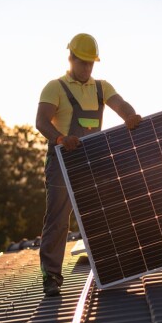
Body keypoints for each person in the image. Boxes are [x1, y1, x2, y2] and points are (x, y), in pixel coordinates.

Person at [36, 33, 141, 296]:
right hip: (61, 160)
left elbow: (120, 105)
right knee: (59, 219)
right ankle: (51, 276)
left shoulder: (101, 87)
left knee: (104, 213)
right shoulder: (55, 87)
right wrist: (61, 138)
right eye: (82, 62)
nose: (86, 68)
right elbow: (41, 121)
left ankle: (112, 267)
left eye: (90, 63)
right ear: (70, 58)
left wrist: (130, 115)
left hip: (92, 160)